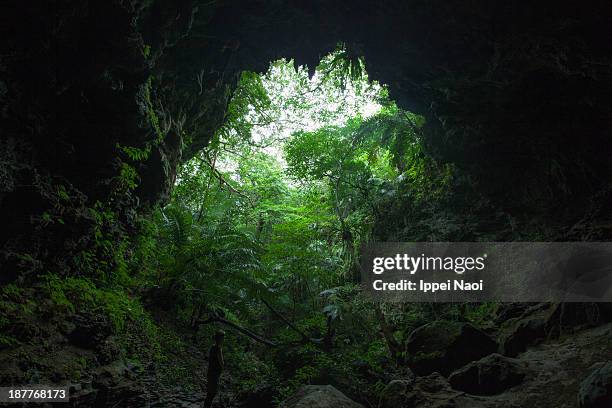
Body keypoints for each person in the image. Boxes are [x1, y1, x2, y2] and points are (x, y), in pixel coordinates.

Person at [204, 330, 225, 408]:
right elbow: (221, 362)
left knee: (210, 392)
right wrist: (223, 368)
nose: (223, 340)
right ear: (220, 339)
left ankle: (206, 406)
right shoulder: (218, 348)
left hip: (210, 371)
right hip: (215, 373)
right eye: (223, 338)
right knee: (212, 392)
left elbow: (209, 359)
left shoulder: (212, 347)